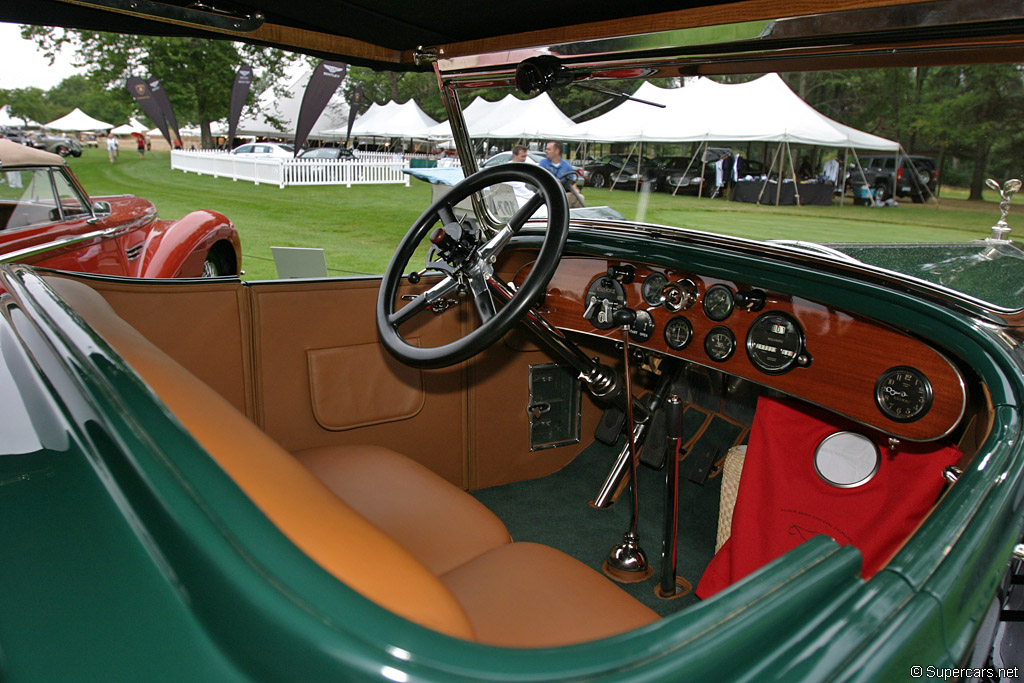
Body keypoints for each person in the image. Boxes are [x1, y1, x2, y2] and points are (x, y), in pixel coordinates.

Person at [539, 141, 584, 208]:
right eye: (546, 149)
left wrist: (575, 190)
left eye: (548, 149)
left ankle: (574, 217)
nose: (546, 151)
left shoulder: (567, 166)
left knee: (579, 197)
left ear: (557, 151)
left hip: (561, 194)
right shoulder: (543, 163)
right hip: (546, 193)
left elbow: (572, 182)